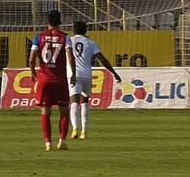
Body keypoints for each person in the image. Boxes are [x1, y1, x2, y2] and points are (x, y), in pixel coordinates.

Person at [29, 10, 76, 151]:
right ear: (59, 22)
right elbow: (71, 57)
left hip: (44, 78)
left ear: (47, 22)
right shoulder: (65, 37)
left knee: (45, 112)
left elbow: (31, 59)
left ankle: (48, 143)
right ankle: (62, 141)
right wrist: (73, 73)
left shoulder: (38, 37)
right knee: (64, 111)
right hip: (60, 79)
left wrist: (33, 73)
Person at [69, 21, 121, 140]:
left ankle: (75, 129)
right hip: (87, 75)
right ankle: (84, 131)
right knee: (85, 101)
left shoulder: (69, 41)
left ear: (73, 30)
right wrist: (114, 73)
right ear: (86, 30)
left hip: (73, 75)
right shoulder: (91, 43)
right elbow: (103, 59)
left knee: (74, 102)